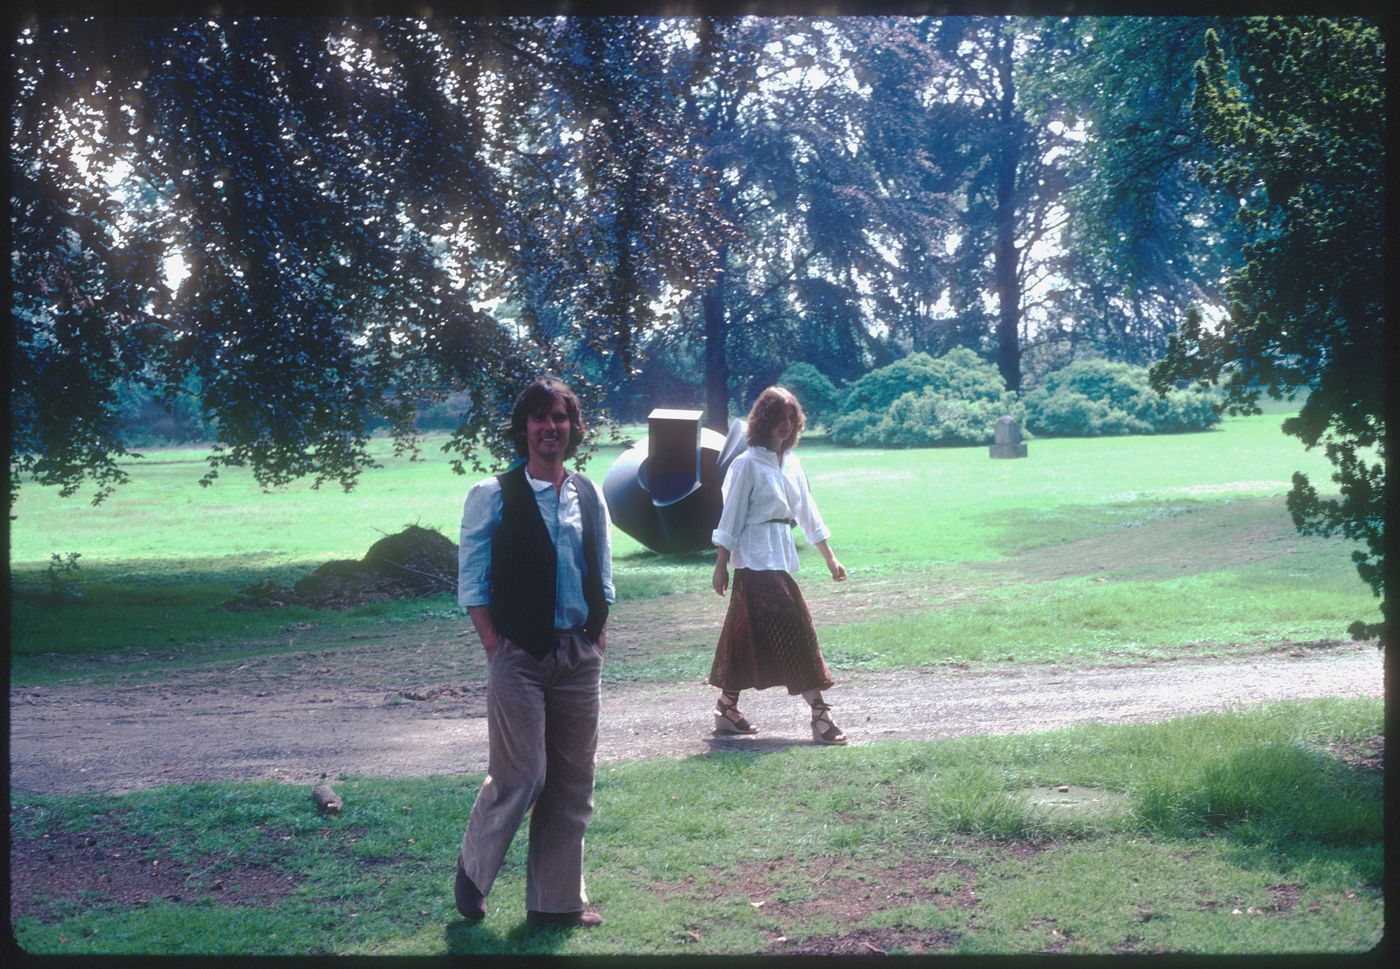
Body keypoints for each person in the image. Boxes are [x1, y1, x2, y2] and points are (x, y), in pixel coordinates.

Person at [453, 377, 614, 929]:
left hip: (577, 655)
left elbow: (602, 571)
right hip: (518, 654)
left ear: (573, 428)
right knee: (521, 774)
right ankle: (473, 871)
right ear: (523, 428)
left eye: (560, 418)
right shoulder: (494, 494)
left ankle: (555, 904)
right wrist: (493, 643)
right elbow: (473, 581)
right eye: (540, 418)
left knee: (572, 782)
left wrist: (596, 633)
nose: (551, 427)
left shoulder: (588, 493)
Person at [708, 385, 849, 745]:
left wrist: (830, 558)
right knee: (795, 627)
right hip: (753, 561)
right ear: (764, 420)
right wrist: (721, 564)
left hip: (779, 557)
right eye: (779, 418)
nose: (785, 425)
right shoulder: (747, 464)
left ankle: (727, 709)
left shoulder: (792, 464)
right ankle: (820, 715)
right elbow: (731, 516)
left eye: (791, 418)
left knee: (745, 637)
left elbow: (807, 512)